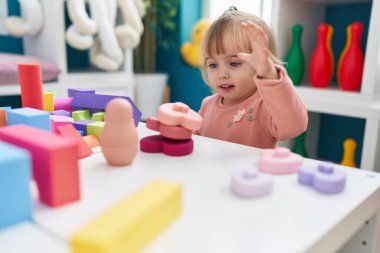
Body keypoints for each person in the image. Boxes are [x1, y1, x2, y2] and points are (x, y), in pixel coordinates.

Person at [196, 7, 308, 149]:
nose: (222, 74)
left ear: (259, 65)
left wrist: (269, 74)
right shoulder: (207, 105)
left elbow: (295, 126)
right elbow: (194, 143)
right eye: (213, 65)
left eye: (234, 63)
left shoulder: (263, 107)